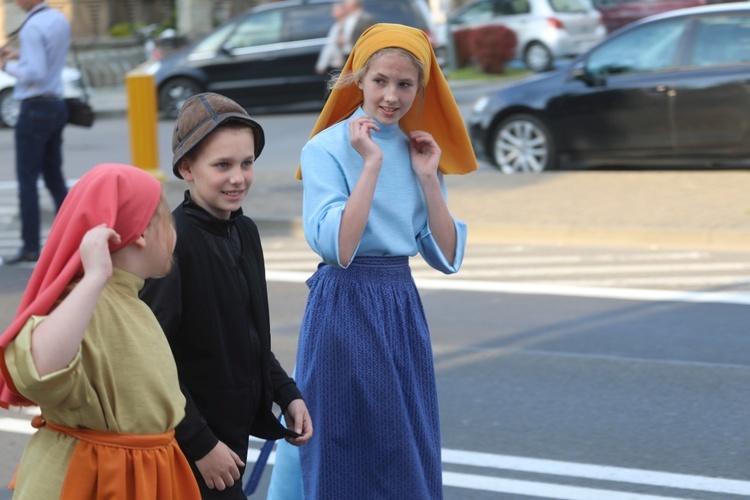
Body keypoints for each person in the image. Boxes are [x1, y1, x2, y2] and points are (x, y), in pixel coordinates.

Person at [269, 23, 477, 499]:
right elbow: (339, 249)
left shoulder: (419, 150)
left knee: (403, 438)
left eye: (405, 84)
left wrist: (428, 177)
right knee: (339, 437)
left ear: (419, 88)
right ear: (358, 78)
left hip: (399, 304)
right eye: (380, 80)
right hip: (343, 303)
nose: (391, 96)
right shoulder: (324, 148)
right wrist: (370, 164)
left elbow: (446, 258)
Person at [139, 92, 312, 499]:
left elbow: (249, 336)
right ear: (187, 168)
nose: (238, 178)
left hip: (229, 439)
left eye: (246, 163)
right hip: (187, 447)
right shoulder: (172, 245)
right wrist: (200, 444)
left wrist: (286, 393)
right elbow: (150, 363)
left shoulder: (244, 231)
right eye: (222, 165)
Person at [0, 163, 201, 499]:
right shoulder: (85, 298)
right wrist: (93, 278)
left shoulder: (128, 298)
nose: (175, 230)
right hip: (92, 480)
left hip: (142, 473)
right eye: (167, 219)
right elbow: (39, 369)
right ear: (140, 233)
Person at [0, 0, 71, 264]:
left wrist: (5, 66)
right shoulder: (58, 19)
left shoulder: (32, 26)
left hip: (35, 106)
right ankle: (75, 237)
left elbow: (35, 73)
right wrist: (17, 55)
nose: (16, 2)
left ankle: (30, 245)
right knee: (54, 177)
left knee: (27, 180)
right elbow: (47, 56)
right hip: (56, 104)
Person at [315, 2, 346, 75]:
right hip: (338, 62)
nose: (333, 13)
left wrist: (322, 64)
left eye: (335, 10)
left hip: (344, 61)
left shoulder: (347, 24)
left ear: (343, 10)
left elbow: (331, 46)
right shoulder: (337, 26)